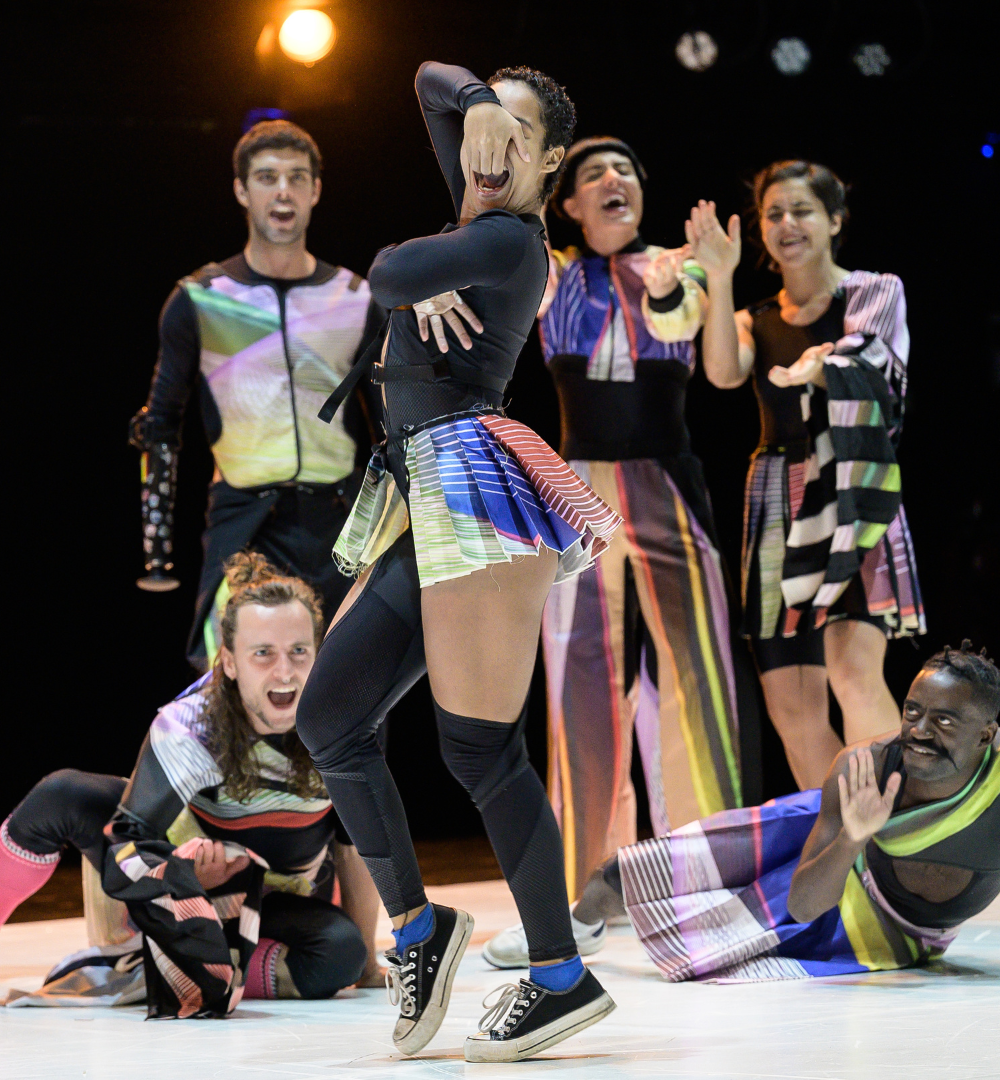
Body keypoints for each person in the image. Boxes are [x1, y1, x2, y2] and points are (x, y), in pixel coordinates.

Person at [297, 61, 619, 1063]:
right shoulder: (475, 205)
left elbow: (389, 272)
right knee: (330, 719)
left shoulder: (506, 239)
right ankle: (420, 932)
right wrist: (478, 106)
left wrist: (435, 260)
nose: (488, 155)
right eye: (483, 138)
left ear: (548, 163)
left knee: (480, 750)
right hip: (419, 491)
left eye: (516, 144)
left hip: (477, 485)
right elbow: (429, 84)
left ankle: (560, 978)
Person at [0, 554, 386, 1015]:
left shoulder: (346, 720)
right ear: (230, 663)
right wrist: (184, 875)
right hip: (175, 882)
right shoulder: (191, 727)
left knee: (340, 956)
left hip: (277, 897)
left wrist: (365, 964)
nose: (284, 672)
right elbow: (124, 851)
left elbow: (355, 841)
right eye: (263, 654)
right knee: (61, 794)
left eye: (299, 652)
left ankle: (152, 963)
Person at [538, 644, 1000, 984]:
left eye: (945, 720)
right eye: (912, 711)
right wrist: (852, 835)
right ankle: (573, 930)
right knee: (621, 876)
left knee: (712, 949)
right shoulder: (863, 766)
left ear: (987, 735)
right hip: (831, 836)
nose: (920, 731)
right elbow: (804, 899)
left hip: (890, 923)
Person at [519, 138, 745, 946]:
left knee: (698, 679)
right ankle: (585, 895)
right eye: (592, 176)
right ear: (570, 205)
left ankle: (706, 879)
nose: (615, 180)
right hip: (576, 491)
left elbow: (707, 353)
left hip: (668, 487)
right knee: (578, 689)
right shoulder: (551, 277)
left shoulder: (679, 268)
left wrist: (698, 280)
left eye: (628, 171)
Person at [689, 160, 924, 791]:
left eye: (802, 211)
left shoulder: (874, 292)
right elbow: (721, 371)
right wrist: (718, 274)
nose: (787, 224)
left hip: (850, 494)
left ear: (834, 220)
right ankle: (839, 852)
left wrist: (822, 366)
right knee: (792, 707)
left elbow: (870, 358)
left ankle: (893, 841)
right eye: (774, 213)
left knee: (852, 672)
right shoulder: (754, 316)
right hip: (776, 506)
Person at [128, 119, 385, 670]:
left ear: (317, 189)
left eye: (297, 177)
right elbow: (161, 426)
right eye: (267, 178)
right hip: (243, 523)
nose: (283, 191)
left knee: (348, 699)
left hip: (339, 527)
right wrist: (156, 549)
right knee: (236, 691)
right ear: (242, 190)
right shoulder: (200, 299)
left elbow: (392, 430)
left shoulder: (357, 297)